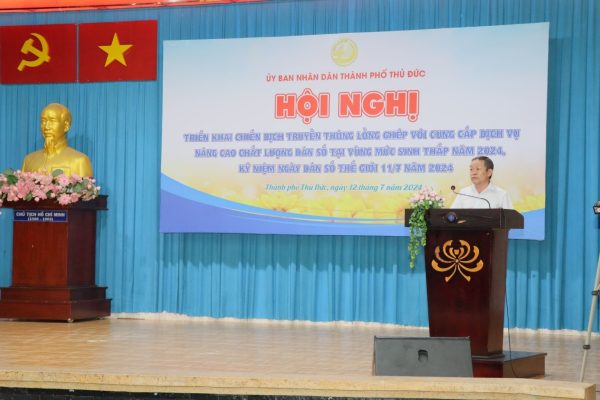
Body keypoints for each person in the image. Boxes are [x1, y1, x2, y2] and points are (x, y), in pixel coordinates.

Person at [21, 103, 93, 177]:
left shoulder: (80, 161)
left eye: (52, 121)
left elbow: (84, 184)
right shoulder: (29, 160)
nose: (46, 127)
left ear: (66, 126)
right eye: (43, 121)